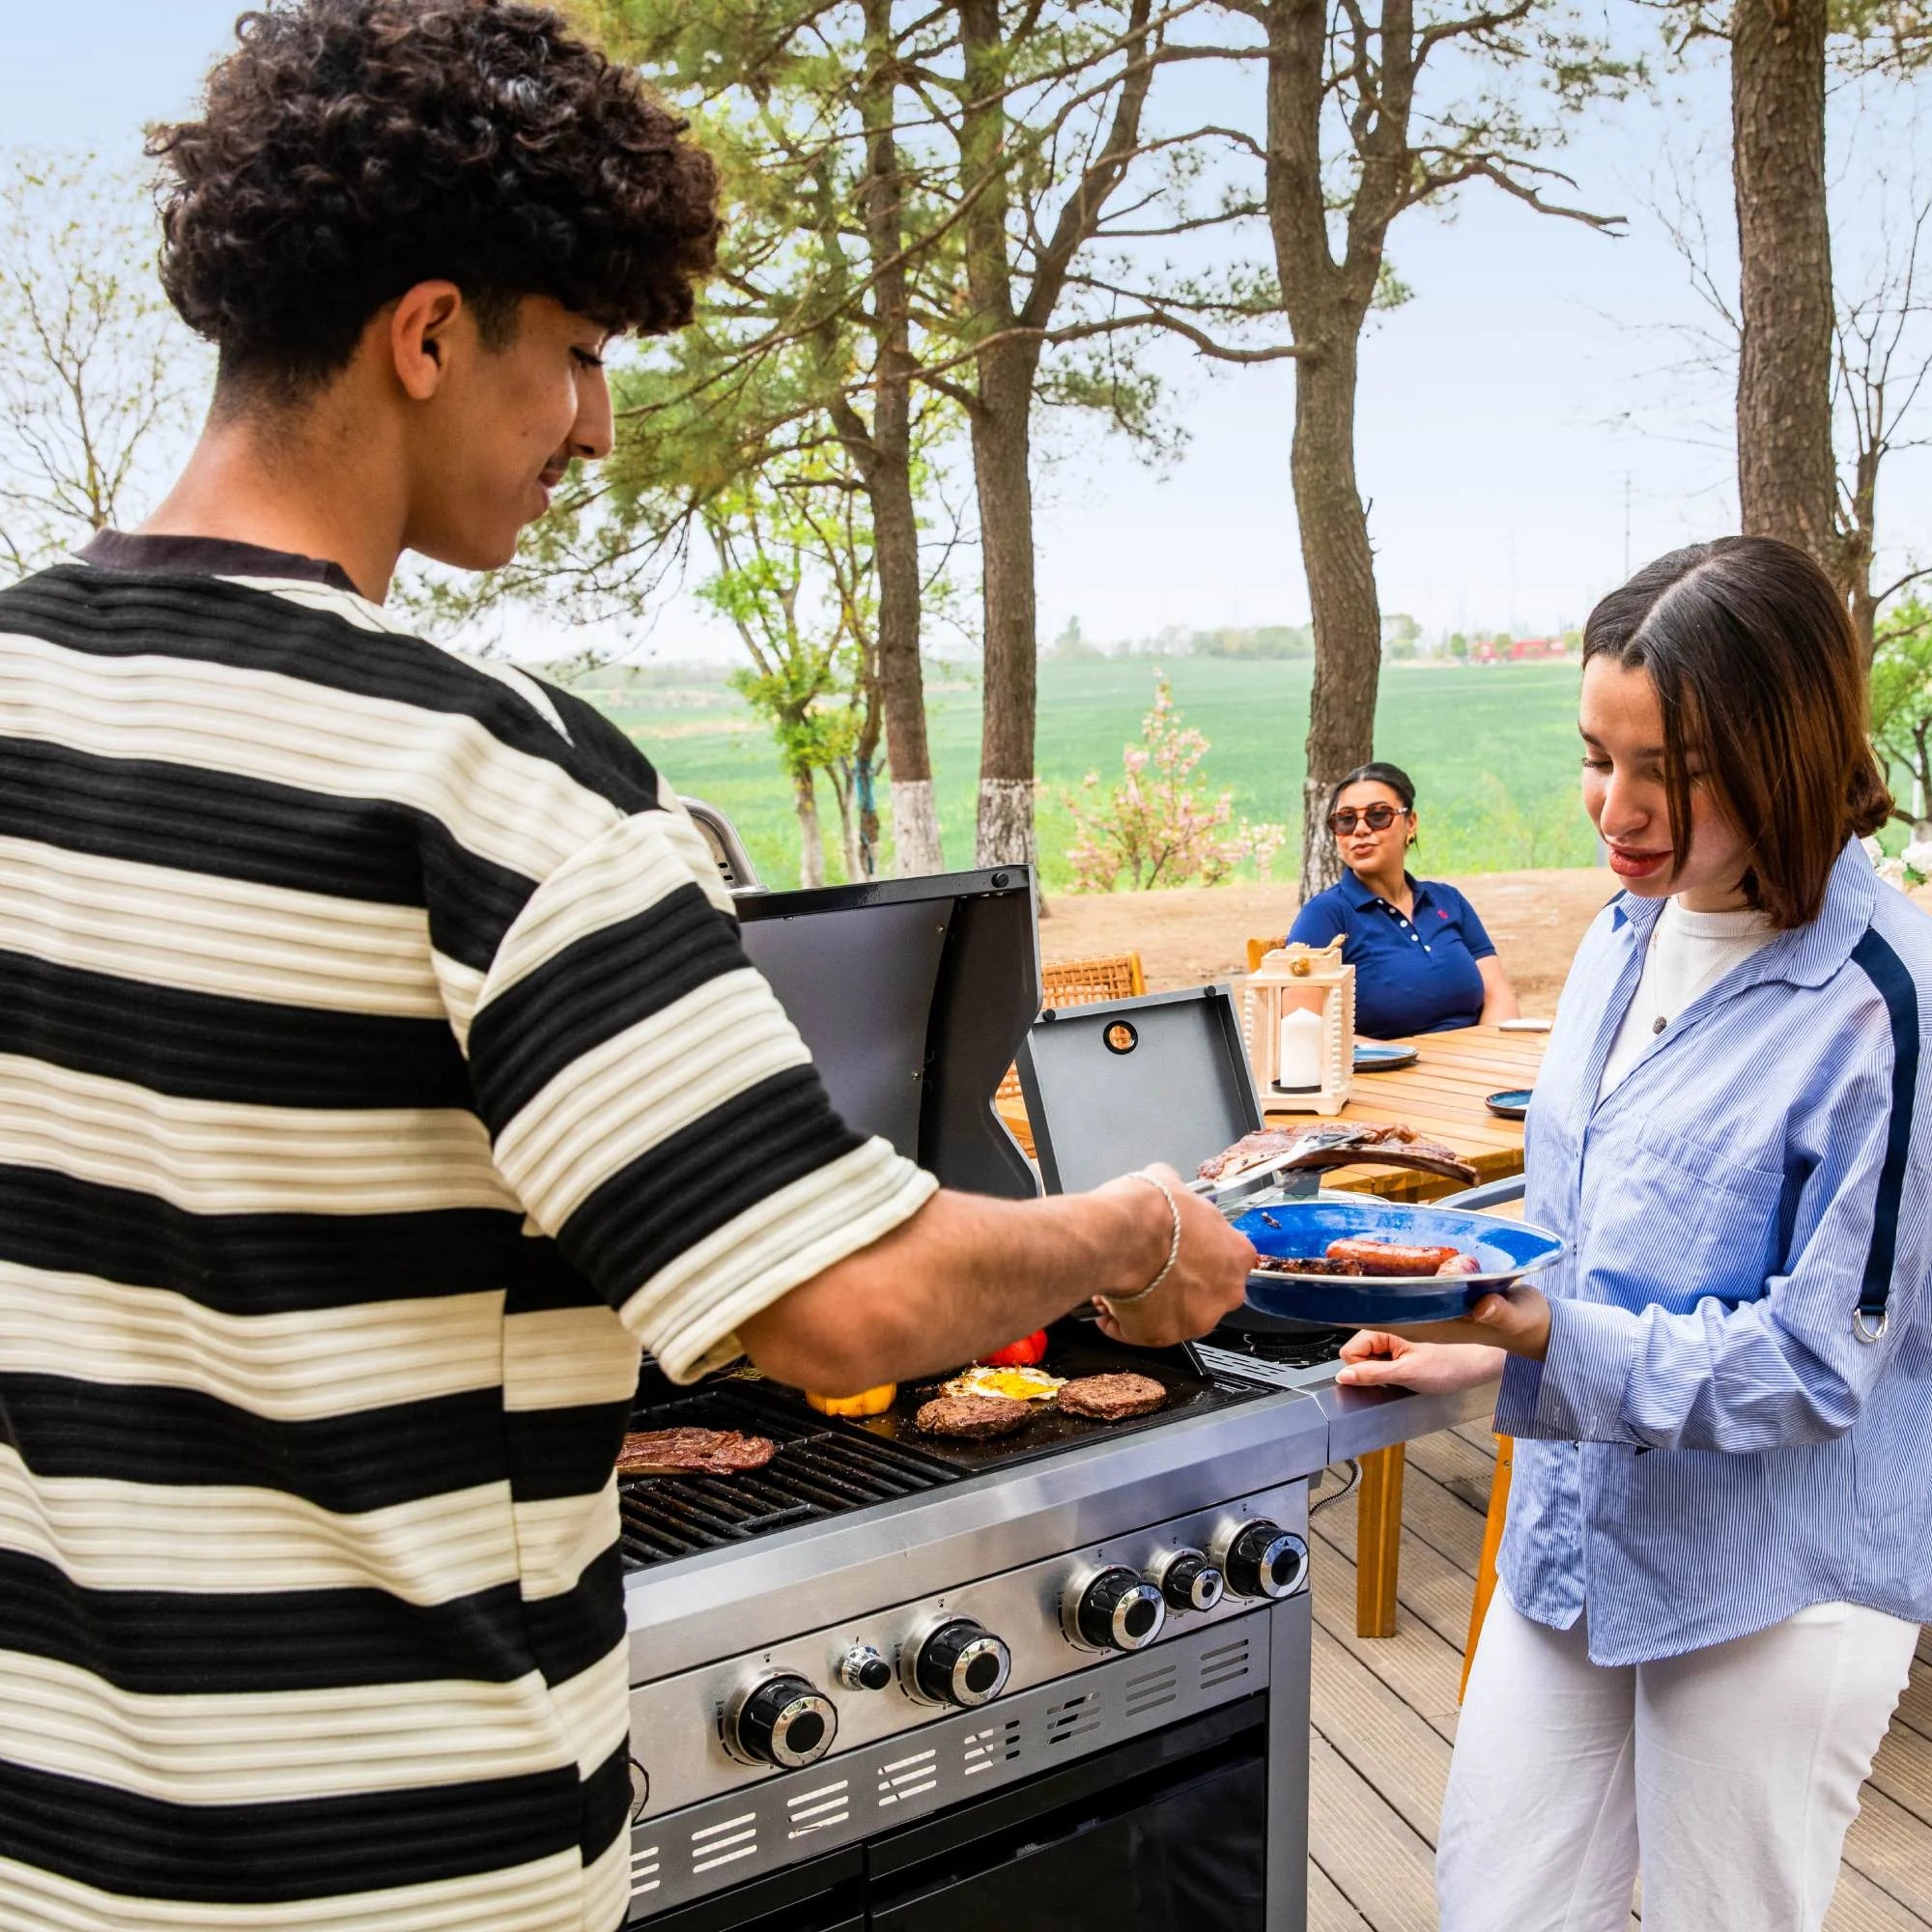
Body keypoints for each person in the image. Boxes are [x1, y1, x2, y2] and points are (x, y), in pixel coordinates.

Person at [0, 8, 1254, 1930]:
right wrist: (1130, 1229)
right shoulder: (490, 774)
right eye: (575, 354)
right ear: (427, 337)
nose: (595, 425)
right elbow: (839, 1308)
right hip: (410, 1876)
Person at [1335, 537, 1932, 1932]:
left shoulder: (1883, 1009)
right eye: (1597, 756)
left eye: (1668, 766)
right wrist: (1473, 1318)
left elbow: (1814, 1367)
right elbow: (1583, 1218)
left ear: (1785, 751)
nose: (1620, 806)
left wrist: (1546, 1340)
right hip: (1576, 1526)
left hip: (1773, 1576)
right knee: (1501, 1906)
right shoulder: (1622, 935)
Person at [1286, 760, 1520, 1037]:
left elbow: (1499, 997)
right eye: (1346, 820)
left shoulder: (1448, 901)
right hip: (1384, 1071)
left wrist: (1487, 1056)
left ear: (1411, 823)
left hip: (1475, 1066)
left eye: (1378, 815)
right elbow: (1302, 1028)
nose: (1360, 829)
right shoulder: (1326, 915)